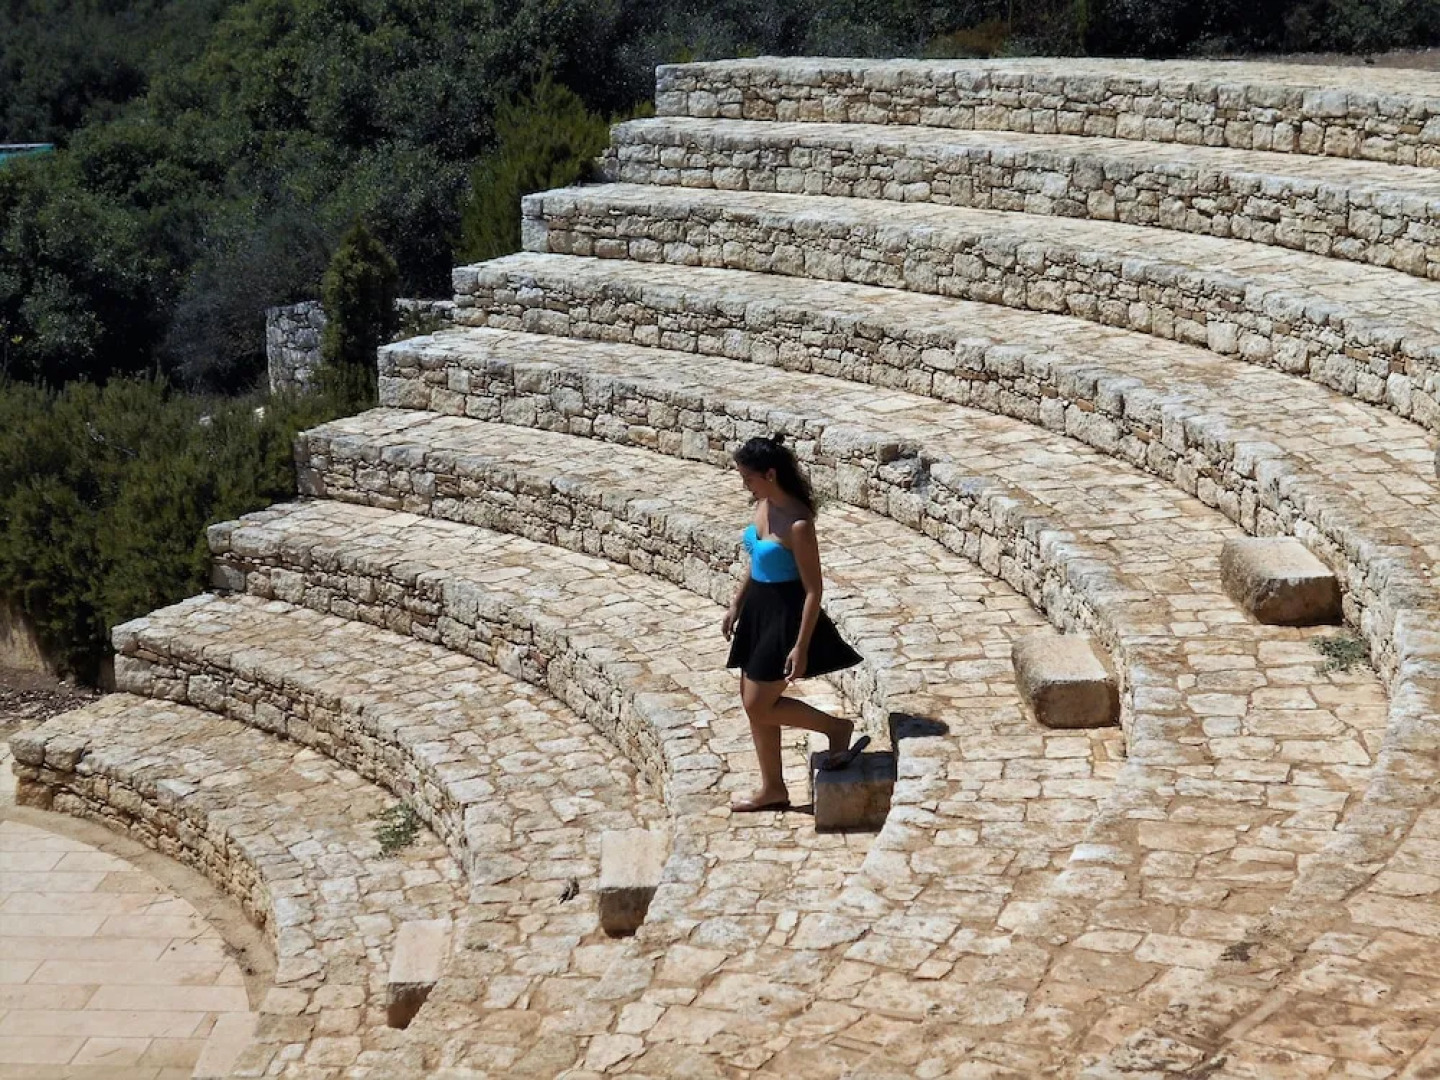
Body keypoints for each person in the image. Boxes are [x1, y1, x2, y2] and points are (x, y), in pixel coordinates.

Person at [722, 434, 868, 813]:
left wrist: (800, 646)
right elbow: (756, 562)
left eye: (749, 478)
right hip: (758, 609)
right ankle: (773, 788)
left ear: (770, 474)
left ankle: (836, 729)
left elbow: (813, 590)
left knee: (758, 704)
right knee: (751, 702)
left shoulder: (798, 523)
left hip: (785, 613)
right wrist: (736, 604)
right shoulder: (764, 506)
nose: (745, 486)